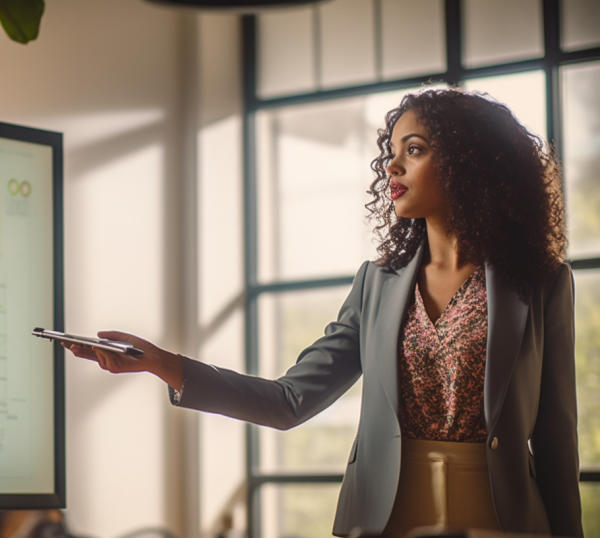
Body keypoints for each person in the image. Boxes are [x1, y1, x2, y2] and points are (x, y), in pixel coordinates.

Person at [63, 88, 583, 537]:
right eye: (392, 152)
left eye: (415, 149)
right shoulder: (375, 285)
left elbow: (557, 443)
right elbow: (290, 401)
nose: (392, 166)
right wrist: (162, 363)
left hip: (504, 517)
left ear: (472, 164)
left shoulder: (542, 284)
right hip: (389, 515)